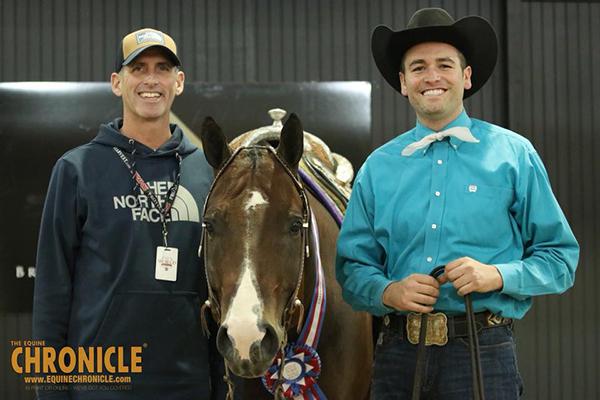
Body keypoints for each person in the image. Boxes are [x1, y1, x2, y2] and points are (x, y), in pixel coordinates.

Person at [335, 8, 579, 399]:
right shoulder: (377, 167)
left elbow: (560, 260)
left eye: (444, 65)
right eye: (418, 68)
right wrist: (388, 292)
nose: (431, 77)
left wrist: (496, 276)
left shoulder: (514, 155)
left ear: (466, 77)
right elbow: (351, 268)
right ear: (403, 82)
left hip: (483, 354)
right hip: (397, 356)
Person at [33, 28, 224, 399]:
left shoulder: (209, 171)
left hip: (188, 384)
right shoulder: (77, 169)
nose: (150, 79)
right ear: (117, 83)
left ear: (178, 82)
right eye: (138, 68)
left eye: (162, 68)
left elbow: (218, 291)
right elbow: (51, 295)